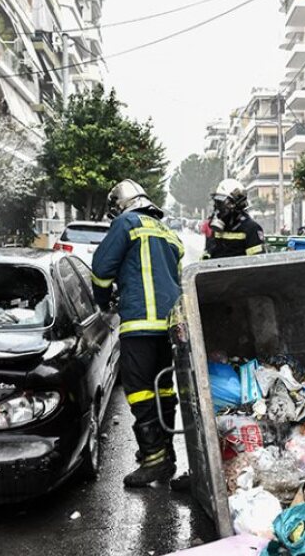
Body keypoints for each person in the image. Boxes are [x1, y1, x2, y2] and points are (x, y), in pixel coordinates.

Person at [90, 180, 184, 488]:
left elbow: (101, 269)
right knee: (163, 388)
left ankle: (153, 458)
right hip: (169, 325)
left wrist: (104, 301)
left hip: (140, 322)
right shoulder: (166, 231)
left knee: (139, 388)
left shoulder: (126, 223)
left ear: (120, 205)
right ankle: (166, 453)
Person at [203, 179, 266, 259]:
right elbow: (207, 256)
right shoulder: (216, 228)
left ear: (236, 204)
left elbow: (257, 261)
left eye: (222, 203)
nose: (218, 208)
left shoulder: (251, 229)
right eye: (217, 202)